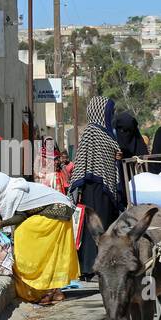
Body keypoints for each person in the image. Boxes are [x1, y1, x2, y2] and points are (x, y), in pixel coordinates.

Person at [0, 171, 80, 303]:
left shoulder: (13, 193)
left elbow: (20, 217)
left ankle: (41, 282)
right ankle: (55, 291)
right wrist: (3, 224)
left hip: (57, 211)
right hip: (60, 211)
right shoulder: (13, 188)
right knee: (50, 254)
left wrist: (3, 223)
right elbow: (21, 214)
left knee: (24, 234)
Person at [69, 97, 123, 276]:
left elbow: (111, 154)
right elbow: (82, 161)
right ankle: (89, 268)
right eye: (110, 111)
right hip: (93, 188)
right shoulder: (92, 131)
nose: (112, 115)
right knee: (93, 228)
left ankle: (103, 265)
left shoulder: (108, 132)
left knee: (105, 227)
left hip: (106, 188)